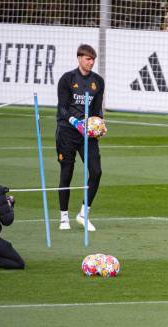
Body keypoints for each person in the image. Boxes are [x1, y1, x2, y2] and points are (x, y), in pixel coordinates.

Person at [56, 44, 105, 231]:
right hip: (67, 132)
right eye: (87, 59)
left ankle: (84, 213)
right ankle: (63, 217)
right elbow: (62, 107)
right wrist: (75, 122)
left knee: (96, 171)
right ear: (79, 59)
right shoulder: (67, 79)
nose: (91, 62)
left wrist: (100, 124)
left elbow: (97, 109)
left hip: (88, 135)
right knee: (66, 173)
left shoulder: (98, 81)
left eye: (93, 59)